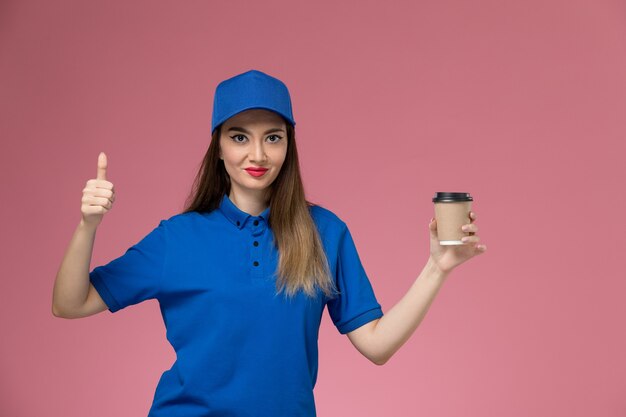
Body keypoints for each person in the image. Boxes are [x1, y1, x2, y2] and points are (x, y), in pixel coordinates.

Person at [52, 69, 486, 417]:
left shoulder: (325, 232)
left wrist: (438, 267)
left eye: (272, 137)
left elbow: (376, 345)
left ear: (288, 145)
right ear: (218, 147)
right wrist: (88, 225)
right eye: (239, 136)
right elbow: (70, 303)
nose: (256, 155)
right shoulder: (177, 238)